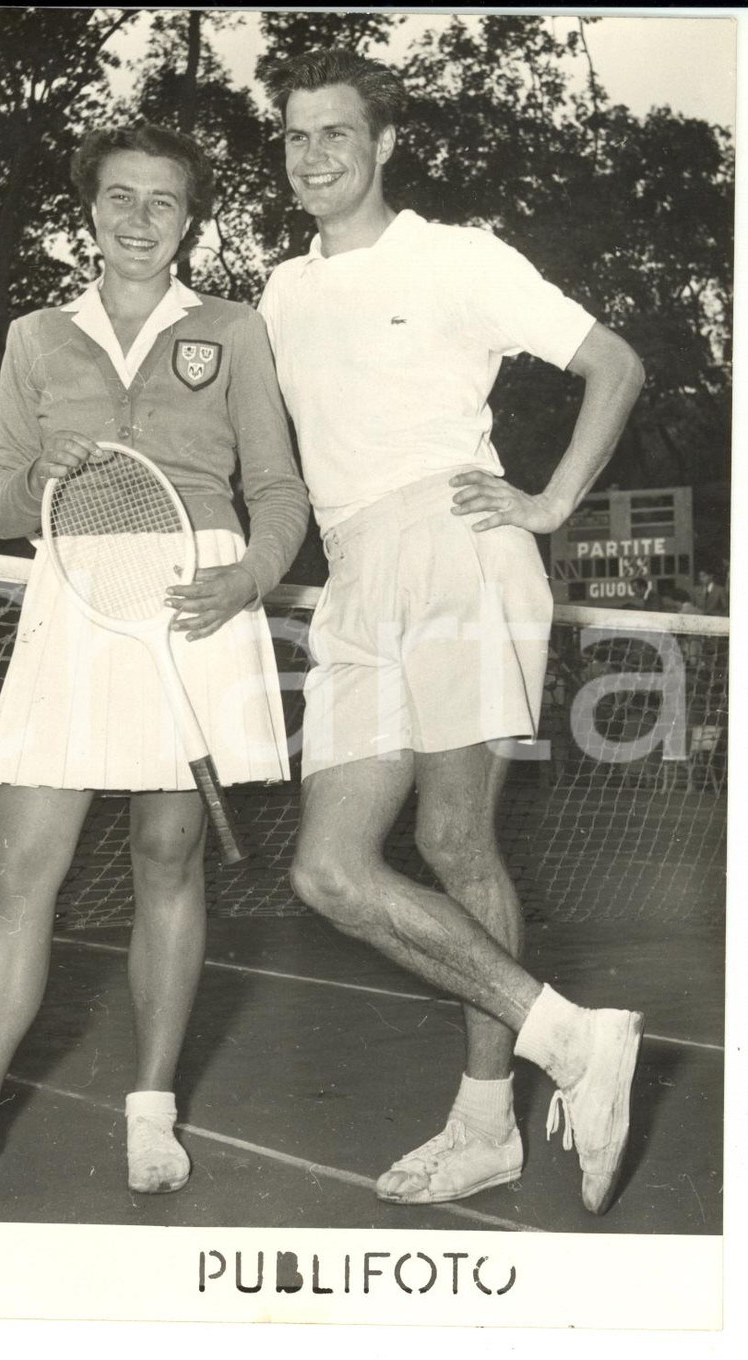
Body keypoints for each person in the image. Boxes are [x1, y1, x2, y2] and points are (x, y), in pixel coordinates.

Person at [0, 124, 309, 1217]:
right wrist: (33, 476)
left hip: (196, 600)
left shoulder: (233, 329)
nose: (140, 218)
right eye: (120, 197)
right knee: (19, 872)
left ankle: (152, 1113)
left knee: (168, 859)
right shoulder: (35, 336)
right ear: (89, 211)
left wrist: (250, 578)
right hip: (78, 600)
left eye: (163, 200)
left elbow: (280, 490)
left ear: (189, 220)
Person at [258, 50, 647, 1215]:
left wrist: (552, 502)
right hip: (351, 570)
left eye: (336, 132)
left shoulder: (456, 257)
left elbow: (613, 364)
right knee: (327, 869)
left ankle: (484, 1125)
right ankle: (571, 1037)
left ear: (383, 144)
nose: (314, 155)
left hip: (455, 541)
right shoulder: (279, 294)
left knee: (453, 836)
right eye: (295, 136)